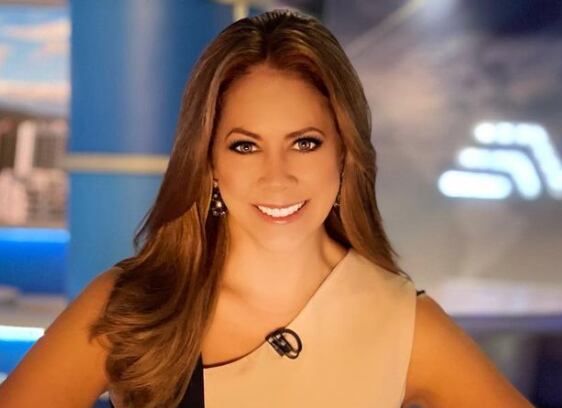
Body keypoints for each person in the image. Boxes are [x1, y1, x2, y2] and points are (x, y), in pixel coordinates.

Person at [0, 9, 533, 408]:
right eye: (245, 146)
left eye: (305, 143)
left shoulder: (406, 325)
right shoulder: (135, 305)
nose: (277, 177)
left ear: (345, 155)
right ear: (209, 162)